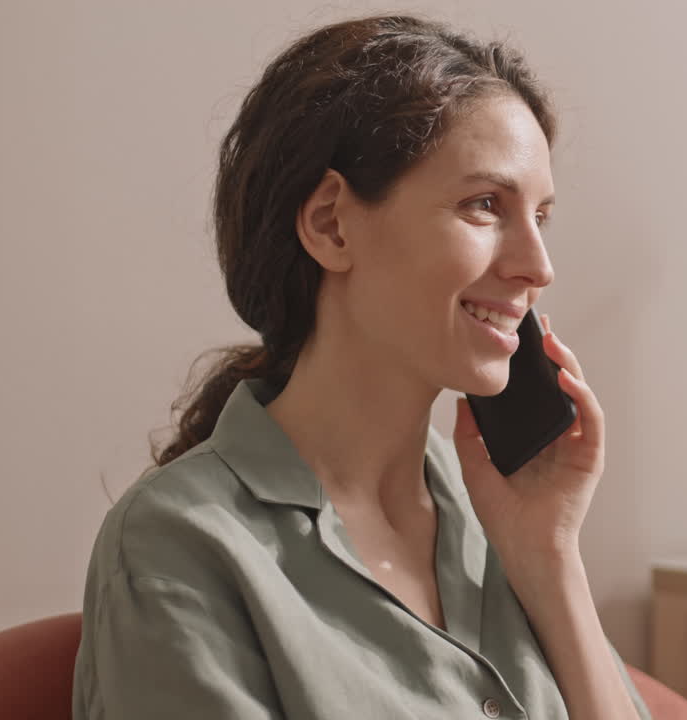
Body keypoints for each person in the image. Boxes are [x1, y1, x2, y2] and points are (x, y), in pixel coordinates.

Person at [72, 14, 650, 720]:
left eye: (542, 217)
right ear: (331, 224)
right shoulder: (180, 544)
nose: (539, 267)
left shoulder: (502, 521)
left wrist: (550, 554)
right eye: (484, 205)